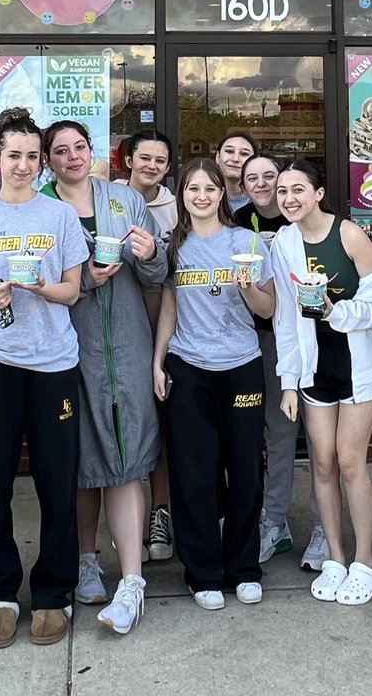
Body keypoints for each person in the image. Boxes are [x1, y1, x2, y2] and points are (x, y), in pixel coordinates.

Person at [0, 108, 88, 650]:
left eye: (33, 156)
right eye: (15, 156)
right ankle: (0, 592)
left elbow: (73, 290)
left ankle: (53, 592)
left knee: (57, 483)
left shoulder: (59, 217)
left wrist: (37, 288)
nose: (24, 164)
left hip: (54, 363)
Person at [42, 120, 168, 635]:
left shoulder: (123, 201)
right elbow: (39, 284)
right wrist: (85, 283)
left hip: (132, 344)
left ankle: (132, 580)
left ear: (92, 152)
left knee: (129, 453)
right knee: (84, 455)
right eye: (61, 150)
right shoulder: (43, 209)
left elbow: (157, 276)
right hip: (72, 347)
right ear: (48, 159)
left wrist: (152, 254)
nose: (72, 157)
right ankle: (86, 558)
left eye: (79, 147)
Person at [152, 157, 275, 610]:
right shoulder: (175, 246)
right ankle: (202, 571)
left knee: (244, 470)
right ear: (182, 196)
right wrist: (158, 360)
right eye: (192, 189)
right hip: (189, 366)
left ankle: (243, 567)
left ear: (223, 194)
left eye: (210, 189)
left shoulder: (247, 241)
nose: (201, 196)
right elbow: (170, 305)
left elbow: (267, 310)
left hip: (241, 364)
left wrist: (246, 286)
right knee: (194, 473)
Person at [270, 160, 372, 606]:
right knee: (322, 462)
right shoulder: (283, 243)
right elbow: (284, 316)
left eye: (298, 189)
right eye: (282, 191)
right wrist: (287, 382)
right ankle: (336, 558)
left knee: (351, 461)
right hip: (312, 368)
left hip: (357, 366)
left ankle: (366, 562)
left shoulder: (350, 235)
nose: (289, 199)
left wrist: (333, 312)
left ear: (319, 193)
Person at [234, 153, 326, 571]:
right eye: (252, 177)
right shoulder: (237, 222)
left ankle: (326, 524)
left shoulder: (312, 226)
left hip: (321, 342)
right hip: (269, 341)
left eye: (271, 177)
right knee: (280, 435)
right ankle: (275, 522)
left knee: (326, 442)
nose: (264, 184)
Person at [115, 129, 177, 561]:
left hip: (163, 318)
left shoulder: (180, 204)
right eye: (144, 158)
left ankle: (160, 511)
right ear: (129, 160)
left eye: (160, 160)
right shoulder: (109, 199)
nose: (151, 165)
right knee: (123, 418)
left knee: (160, 417)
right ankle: (125, 516)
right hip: (118, 320)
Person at [214, 130, 257, 211]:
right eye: (229, 151)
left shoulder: (265, 202)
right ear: (218, 157)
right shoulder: (201, 198)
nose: (235, 159)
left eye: (244, 154)